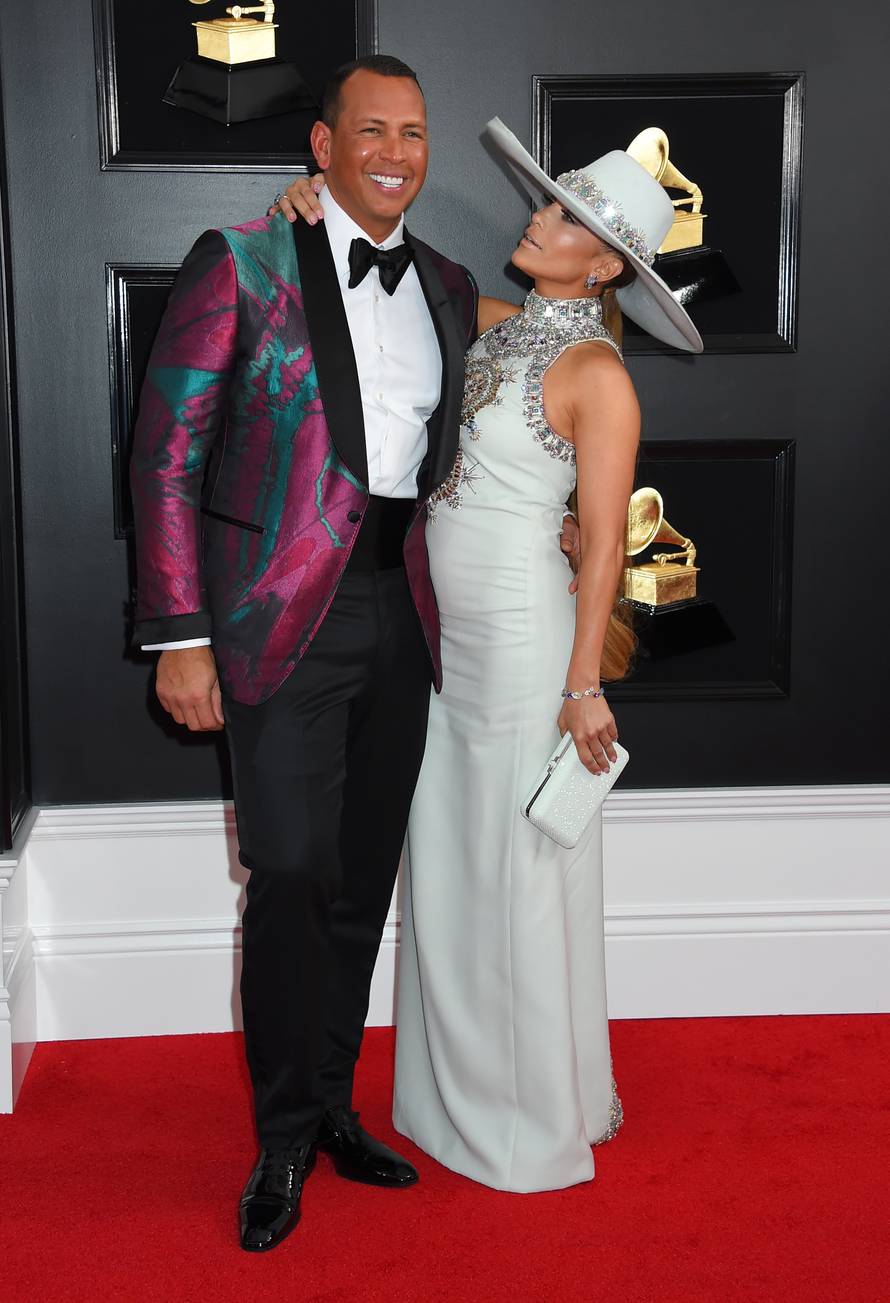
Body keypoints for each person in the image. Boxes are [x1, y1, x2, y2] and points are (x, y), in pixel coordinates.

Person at [277, 118, 703, 1192]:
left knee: (513, 870)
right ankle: (443, 1096)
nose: (537, 213)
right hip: (440, 636)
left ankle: (522, 1122)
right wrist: (312, 203)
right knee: (453, 863)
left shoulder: (601, 375)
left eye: (561, 213)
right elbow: (399, 282)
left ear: (602, 262)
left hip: (523, 643)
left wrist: (581, 684)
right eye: (548, 198)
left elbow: (602, 538)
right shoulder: (502, 323)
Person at [129, 55, 480, 1252]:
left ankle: (333, 1101)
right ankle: (280, 1132)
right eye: (371, 130)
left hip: (398, 611)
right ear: (322, 149)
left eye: (415, 133)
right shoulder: (243, 262)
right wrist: (180, 635)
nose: (396, 151)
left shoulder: (444, 280)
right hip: (277, 618)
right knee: (288, 872)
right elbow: (166, 455)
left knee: (359, 878)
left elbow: (476, 433)